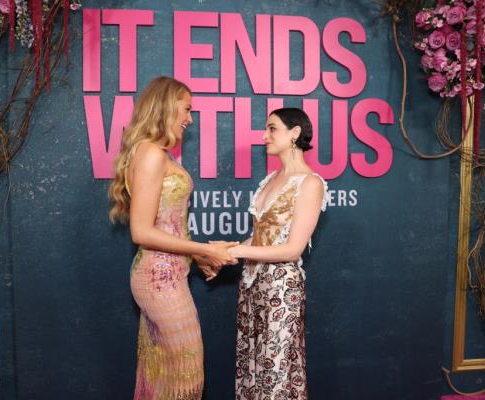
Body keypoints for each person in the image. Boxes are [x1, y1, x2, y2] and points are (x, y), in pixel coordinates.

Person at [108, 76, 237, 400]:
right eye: (186, 109)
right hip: (159, 280)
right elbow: (142, 232)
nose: (189, 118)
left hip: (166, 276)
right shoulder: (151, 153)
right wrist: (205, 249)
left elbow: (168, 225)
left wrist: (198, 257)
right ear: (166, 106)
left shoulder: (154, 152)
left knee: (163, 376)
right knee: (185, 378)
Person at [229, 108, 327, 400]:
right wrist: (224, 251)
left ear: (295, 133)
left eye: (272, 128)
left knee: (277, 374)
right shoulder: (271, 178)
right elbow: (262, 236)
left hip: (281, 288)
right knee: (251, 372)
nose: (264, 136)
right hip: (251, 285)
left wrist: (236, 250)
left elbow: (293, 248)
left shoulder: (310, 183)